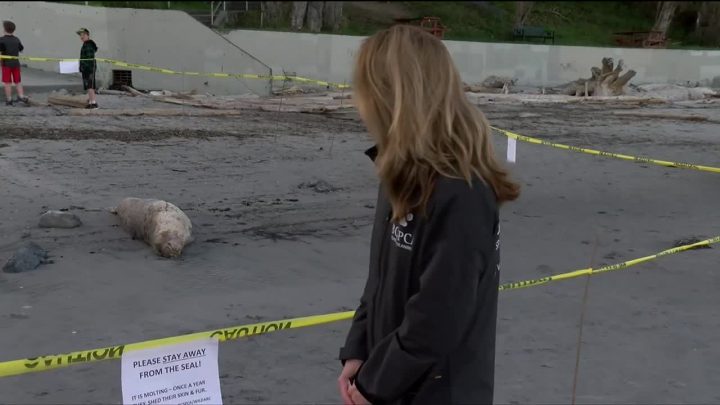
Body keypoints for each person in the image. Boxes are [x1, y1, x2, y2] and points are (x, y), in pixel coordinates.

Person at [337, 25, 520, 405]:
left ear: (391, 96)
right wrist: (358, 349)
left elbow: (438, 316)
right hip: (390, 381)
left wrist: (376, 385)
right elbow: (379, 280)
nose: (358, 102)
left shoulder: (462, 193)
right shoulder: (398, 174)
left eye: (363, 90)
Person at [0, 20, 29, 106]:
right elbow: (22, 50)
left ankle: (9, 99)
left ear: (4, 29)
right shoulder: (16, 39)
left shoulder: (2, 40)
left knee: (7, 82)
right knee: (18, 81)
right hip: (16, 64)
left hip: (6, 65)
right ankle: (21, 96)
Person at [77, 27, 98, 109]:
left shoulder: (88, 45)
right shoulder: (86, 44)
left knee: (90, 86)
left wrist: (83, 66)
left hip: (89, 68)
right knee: (88, 86)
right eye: (80, 35)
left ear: (87, 35)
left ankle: (93, 103)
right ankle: (91, 101)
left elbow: (89, 58)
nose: (81, 37)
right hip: (87, 68)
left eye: (83, 35)